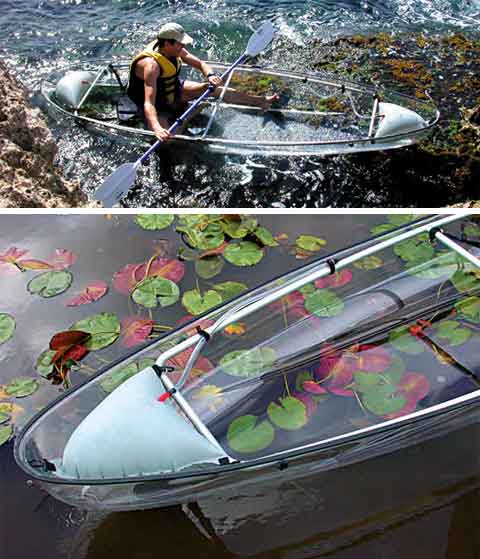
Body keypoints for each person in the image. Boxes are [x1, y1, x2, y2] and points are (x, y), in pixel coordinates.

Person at [127, 22, 279, 141]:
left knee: (213, 88)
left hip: (173, 90)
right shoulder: (151, 66)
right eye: (180, 43)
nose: (184, 46)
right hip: (156, 104)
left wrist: (210, 75)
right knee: (170, 138)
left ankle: (261, 101)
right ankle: (189, 113)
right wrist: (156, 128)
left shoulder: (175, 49)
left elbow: (200, 64)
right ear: (167, 44)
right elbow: (149, 103)